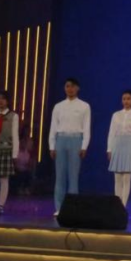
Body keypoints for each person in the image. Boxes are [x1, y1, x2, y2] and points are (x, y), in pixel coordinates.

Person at [49, 77, 91, 215]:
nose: (70, 89)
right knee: (59, 176)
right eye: (67, 86)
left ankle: (72, 208)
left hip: (76, 140)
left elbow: (86, 128)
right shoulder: (58, 106)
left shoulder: (84, 106)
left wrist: (84, 146)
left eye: (72, 86)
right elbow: (53, 127)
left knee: (73, 176)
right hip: (61, 140)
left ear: (78, 88)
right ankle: (59, 208)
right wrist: (52, 146)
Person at [107, 90, 131, 207]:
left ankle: (123, 205)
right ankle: (117, 204)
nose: (126, 101)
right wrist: (109, 149)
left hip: (130, 145)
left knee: (127, 178)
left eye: (128, 99)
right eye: (124, 99)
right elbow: (111, 133)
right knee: (117, 177)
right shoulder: (116, 115)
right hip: (117, 144)